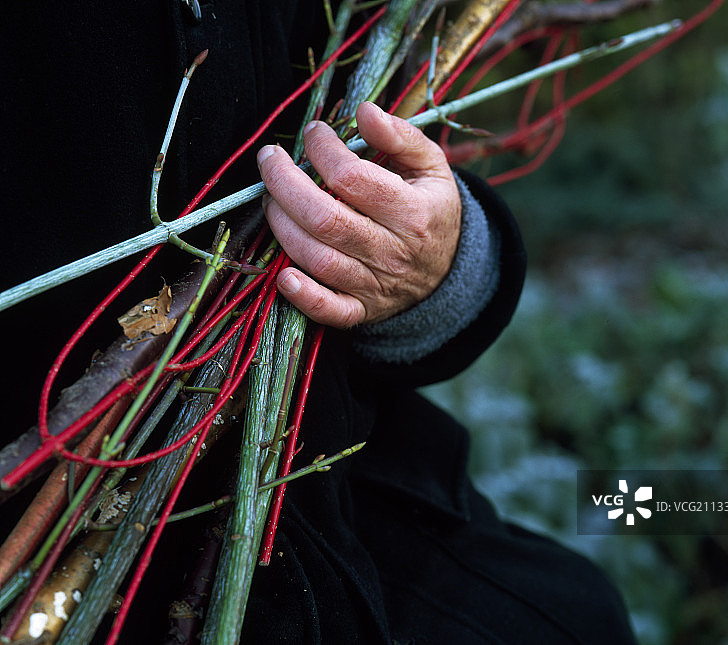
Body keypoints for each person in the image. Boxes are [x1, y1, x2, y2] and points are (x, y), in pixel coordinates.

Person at [0, 2, 637, 642]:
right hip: (81, 552)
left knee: (578, 615)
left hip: (328, 495)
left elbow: (391, 148)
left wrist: (435, 264)